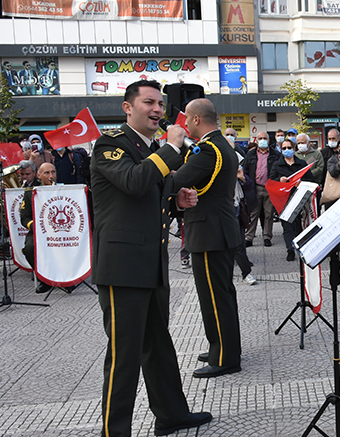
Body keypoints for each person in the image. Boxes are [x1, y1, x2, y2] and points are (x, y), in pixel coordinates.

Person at [91, 80, 211, 436]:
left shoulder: (149, 149)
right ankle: (115, 432)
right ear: (128, 108)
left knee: (158, 346)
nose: (158, 110)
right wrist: (171, 149)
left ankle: (172, 415)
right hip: (123, 268)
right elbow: (133, 182)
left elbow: (151, 191)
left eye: (160, 103)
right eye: (148, 103)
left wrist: (177, 198)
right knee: (124, 357)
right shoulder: (110, 144)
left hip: (151, 264)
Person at [168, 98, 244, 379]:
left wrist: (169, 152)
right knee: (220, 294)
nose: (185, 125)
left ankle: (225, 356)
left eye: (187, 120)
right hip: (216, 229)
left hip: (210, 231)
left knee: (215, 297)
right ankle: (222, 347)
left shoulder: (208, 150)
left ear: (197, 120)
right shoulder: (219, 144)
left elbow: (175, 181)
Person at [270, 138, 314, 261]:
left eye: (289, 147)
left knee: (299, 225)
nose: (287, 150)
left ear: (293, 149)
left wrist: (302, 182)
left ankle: (301, 247)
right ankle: (290, 250)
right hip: (284, 200)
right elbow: (271, 181)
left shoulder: (301, 164)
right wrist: (280, 180)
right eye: (284, 148)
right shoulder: (277, 165)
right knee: (287, 226)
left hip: (299, 198)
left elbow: (311, 179)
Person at [20, 163, 60, 294]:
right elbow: (24, 218)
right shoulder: (30, 193)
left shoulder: (64, 190)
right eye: (46, 173)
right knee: (29, 248)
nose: (51, 176)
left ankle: (67, 277)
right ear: (38, 175)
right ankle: (43, 279)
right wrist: (38, 227)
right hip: (38, 230)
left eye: (53, 172)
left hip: (60, 230)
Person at [244, 131, 280, 246]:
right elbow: (245, 170)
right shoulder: (251, 154)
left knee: (268, 214)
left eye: (265, 138)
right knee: (253, 213)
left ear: (269, 140)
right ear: (257, 140)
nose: (263, 140)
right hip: (255, 188)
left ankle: (267, 237)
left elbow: (278, 170)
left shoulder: (275, 154)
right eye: (260, 138)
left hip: (269, 188)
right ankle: (249, 237)